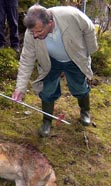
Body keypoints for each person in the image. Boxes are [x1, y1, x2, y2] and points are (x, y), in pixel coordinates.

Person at [12, 4, 98, 137]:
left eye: (39, 32)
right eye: (33, 32)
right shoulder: (32, 31)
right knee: (47, 91)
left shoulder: (71, 15)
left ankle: (85, 111)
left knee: (79, 88)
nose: (34, 35)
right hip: (50, 61)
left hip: (74, 58)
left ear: (50, 23)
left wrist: (89, 50)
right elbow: (26, 60)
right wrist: (20, 89)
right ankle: (47, 121)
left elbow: (89, 28)